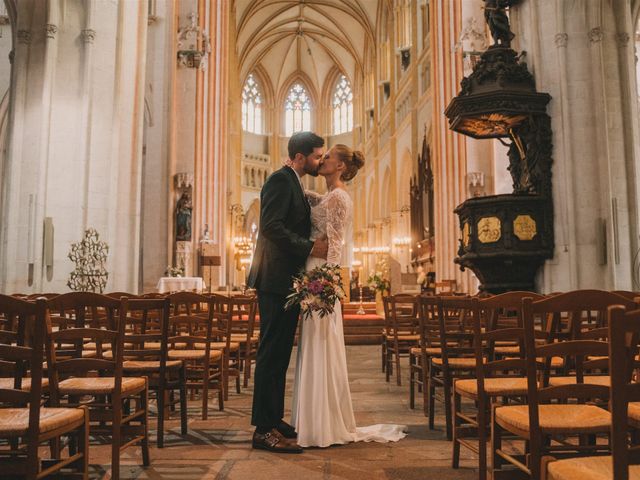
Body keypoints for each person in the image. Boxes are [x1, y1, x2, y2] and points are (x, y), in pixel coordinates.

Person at [291, 144, 407, 447]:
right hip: (311, 271)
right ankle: (312, 420)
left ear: (340, 166)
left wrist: (324, 284)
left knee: (320, 341)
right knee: (312, 343)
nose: (323, 160)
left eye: (328, 157)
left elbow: (336, 244)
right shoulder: (327, 196)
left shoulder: (340, 197)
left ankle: (322, 424)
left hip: (320, 277)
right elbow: (309, 201)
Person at [247, 131, 328, 454]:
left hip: (285, 280)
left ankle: (273, 418)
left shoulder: (293, 181)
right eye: (316, 156)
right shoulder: (281, 180)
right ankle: (263, 430)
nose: (320, 160)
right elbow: (271, 226)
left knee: (280, 354)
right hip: (274, 279)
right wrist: (310, 246)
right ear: (299, 157)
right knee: (270, 354)